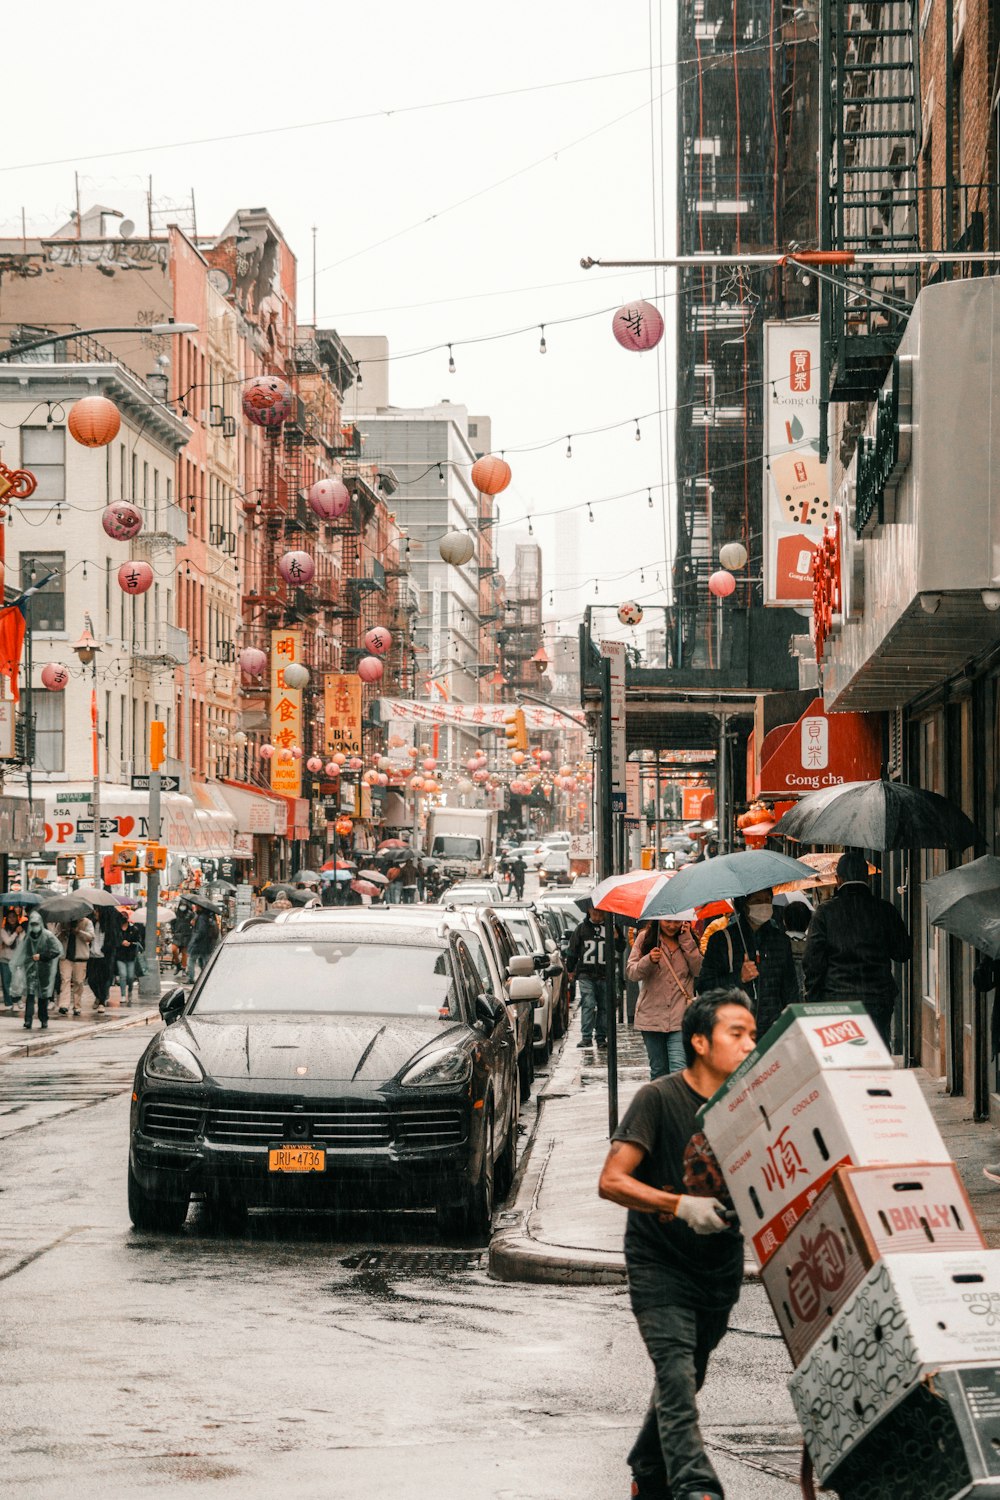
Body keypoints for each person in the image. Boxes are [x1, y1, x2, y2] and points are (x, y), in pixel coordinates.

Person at [598, 990, 757, 1500]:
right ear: (699, 1042)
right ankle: (695, 1486)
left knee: (685, 1380)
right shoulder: (658, 1098)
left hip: (718, 1272)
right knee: (676, 1374)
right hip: (660, 1266)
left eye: (753, 1034)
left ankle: (648, 1465)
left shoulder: (751, 1106)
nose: (749, 1044)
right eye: (737, 1034)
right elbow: (612, 1181)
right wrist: (678, 1206)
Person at [802, 850, 913, 1046]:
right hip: (877, 1000)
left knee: (844, 1058)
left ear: (838, 879)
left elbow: (813, 961)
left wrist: (813, 998)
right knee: (875, 1056)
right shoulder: (885, 910)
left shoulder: (825, 913)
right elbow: (903, 953)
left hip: (837, 1000)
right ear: (867, 878)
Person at [697, 888, 798, 1040]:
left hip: (773, 1031)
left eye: (767, 900)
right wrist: (739, 978)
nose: (763, 905)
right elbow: (704, 986)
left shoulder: (780, 940)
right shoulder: (721, 940)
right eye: (757, 901)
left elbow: (790, 989)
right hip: (734, 1030)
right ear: (744, 905)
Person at [627, 918, 703, 1079]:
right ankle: (660, 1104)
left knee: (679, 1070)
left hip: (681, 1017)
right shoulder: (645, 938)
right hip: (651, 1017)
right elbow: (632, 973)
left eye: (677, 921)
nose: (672, 926)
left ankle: (677, 1104)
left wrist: (687, 940)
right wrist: (648, 960)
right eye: (668, 921)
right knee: (659, 1071)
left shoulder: (689, 939)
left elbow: (699, 971)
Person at [566, 906, 617, 1050]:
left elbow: (620, 947)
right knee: (588, 1002)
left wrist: (617, 937)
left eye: (600, 912)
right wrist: (570, 970)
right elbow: (572, 950)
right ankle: (586, 1037)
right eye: (594, 911)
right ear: (588, 911)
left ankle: (601, 1037)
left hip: (605, 974)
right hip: (586, 974)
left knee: (604, 1006)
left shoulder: (611, 929)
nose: (597, 915)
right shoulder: (582, 929)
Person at [12, 912, 64, 1031]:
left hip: (44, 969)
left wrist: (41, 956)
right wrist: (19, 964)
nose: (34, 926)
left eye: (36, 923)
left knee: (42, 996)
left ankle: (43, 1019)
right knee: (30, 996)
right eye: (32, 923)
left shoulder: (48, 936)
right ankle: (28, 1020)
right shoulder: (28, 937)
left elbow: (56, 950)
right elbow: (22, 952)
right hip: (30, 970)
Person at [57, 915, 95, 1016]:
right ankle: (64, 1005)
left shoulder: (86, 922)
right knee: (65, 979)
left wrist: (79, 932)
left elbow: (91, 937)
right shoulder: (62, 922)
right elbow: (55, 937)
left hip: (80, 957)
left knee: (79, 981)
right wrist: (63, 933)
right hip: (65, 957)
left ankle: (77, 1006)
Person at [781, 898, 812, 1001]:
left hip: (785, 1000)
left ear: (784, 921)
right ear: (808, 922)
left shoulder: (779, 943)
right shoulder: (814, 945)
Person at [116, 913, 146, 1006]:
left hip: (131, 956)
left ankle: (129, 991)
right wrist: (120, 942)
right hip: (120, 956)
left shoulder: (134, 929)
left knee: (130, 977)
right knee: (123, 975)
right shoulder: (116, 930)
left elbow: (138, 943)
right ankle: (123, 995)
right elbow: (113, 941)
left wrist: (130, 943)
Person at [187, 907, 219, 982]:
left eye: (197, 906)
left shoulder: (201, 917)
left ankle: (191, 978)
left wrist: (194, 940)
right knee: (204, 962)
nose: (195, 907)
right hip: (206, 944)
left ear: (200, 908)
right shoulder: (207, 917)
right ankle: (206, 978)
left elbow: (201, 931)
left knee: (191, 960)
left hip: (198, 944)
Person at [0, 908, 22, 1013]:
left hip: (17, 960)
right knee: (6, 982)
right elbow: (8, 942)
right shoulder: (3, 931)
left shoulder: (21, 930)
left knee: (17, 982)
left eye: (14, 917)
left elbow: (22, 944)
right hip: (5, 960)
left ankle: (17, 999)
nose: (12, 919)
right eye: (10, 917)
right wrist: (15, 933)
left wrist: (20, 933)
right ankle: (8, 1003)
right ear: (7, 919)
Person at [170, 901, 193, 975]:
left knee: (184, 953)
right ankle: (178, 965)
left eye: (184, 905)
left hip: (186, 935)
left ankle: (183, 968)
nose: (182, 907)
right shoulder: (176, 914)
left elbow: (193, 923)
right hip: (177, 935)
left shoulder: (190, 914)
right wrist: (174, 930)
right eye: (181, 905)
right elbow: (172, 923)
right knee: (173, 949)